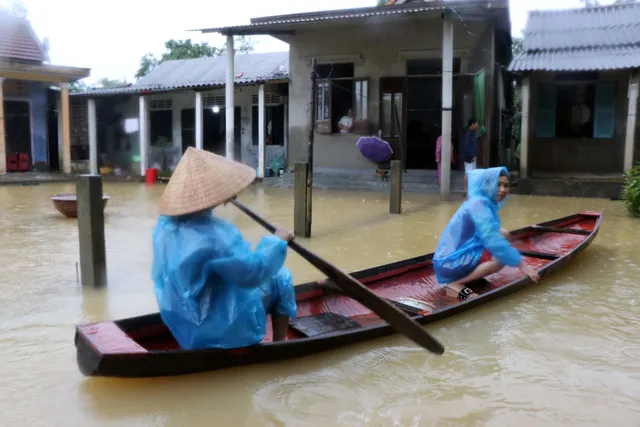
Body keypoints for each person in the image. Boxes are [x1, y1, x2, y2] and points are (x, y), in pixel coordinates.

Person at [151, 147, 297, 350]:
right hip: (221, 331)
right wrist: (277, 242)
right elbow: (253, 273)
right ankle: (280, 346)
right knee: (282, 277)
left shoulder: (164, 228)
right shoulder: (216, 238)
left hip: (181, 323)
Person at [432, 167, 540, 300]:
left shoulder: (481, 200)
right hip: (449, 263)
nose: (502, 190)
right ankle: (456, 283)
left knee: (504, 234)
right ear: (488, 185)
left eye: (506, 185)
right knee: (501, 259)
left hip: (448, 257)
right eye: (498, 185)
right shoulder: (479, 204)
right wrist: (522, 265)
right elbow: (493, 240)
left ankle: (471, 272)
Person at [461, 118, 479, 196]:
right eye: (476, 124)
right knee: (468, 173)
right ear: (472, 124)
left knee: (471, 173)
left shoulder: (472, 133)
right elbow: (467, 146)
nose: (477, 125)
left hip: (472, 157)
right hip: (469, 158)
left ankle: (469, 190)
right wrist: (471, 155)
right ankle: (466, 190)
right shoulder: (468, 134)